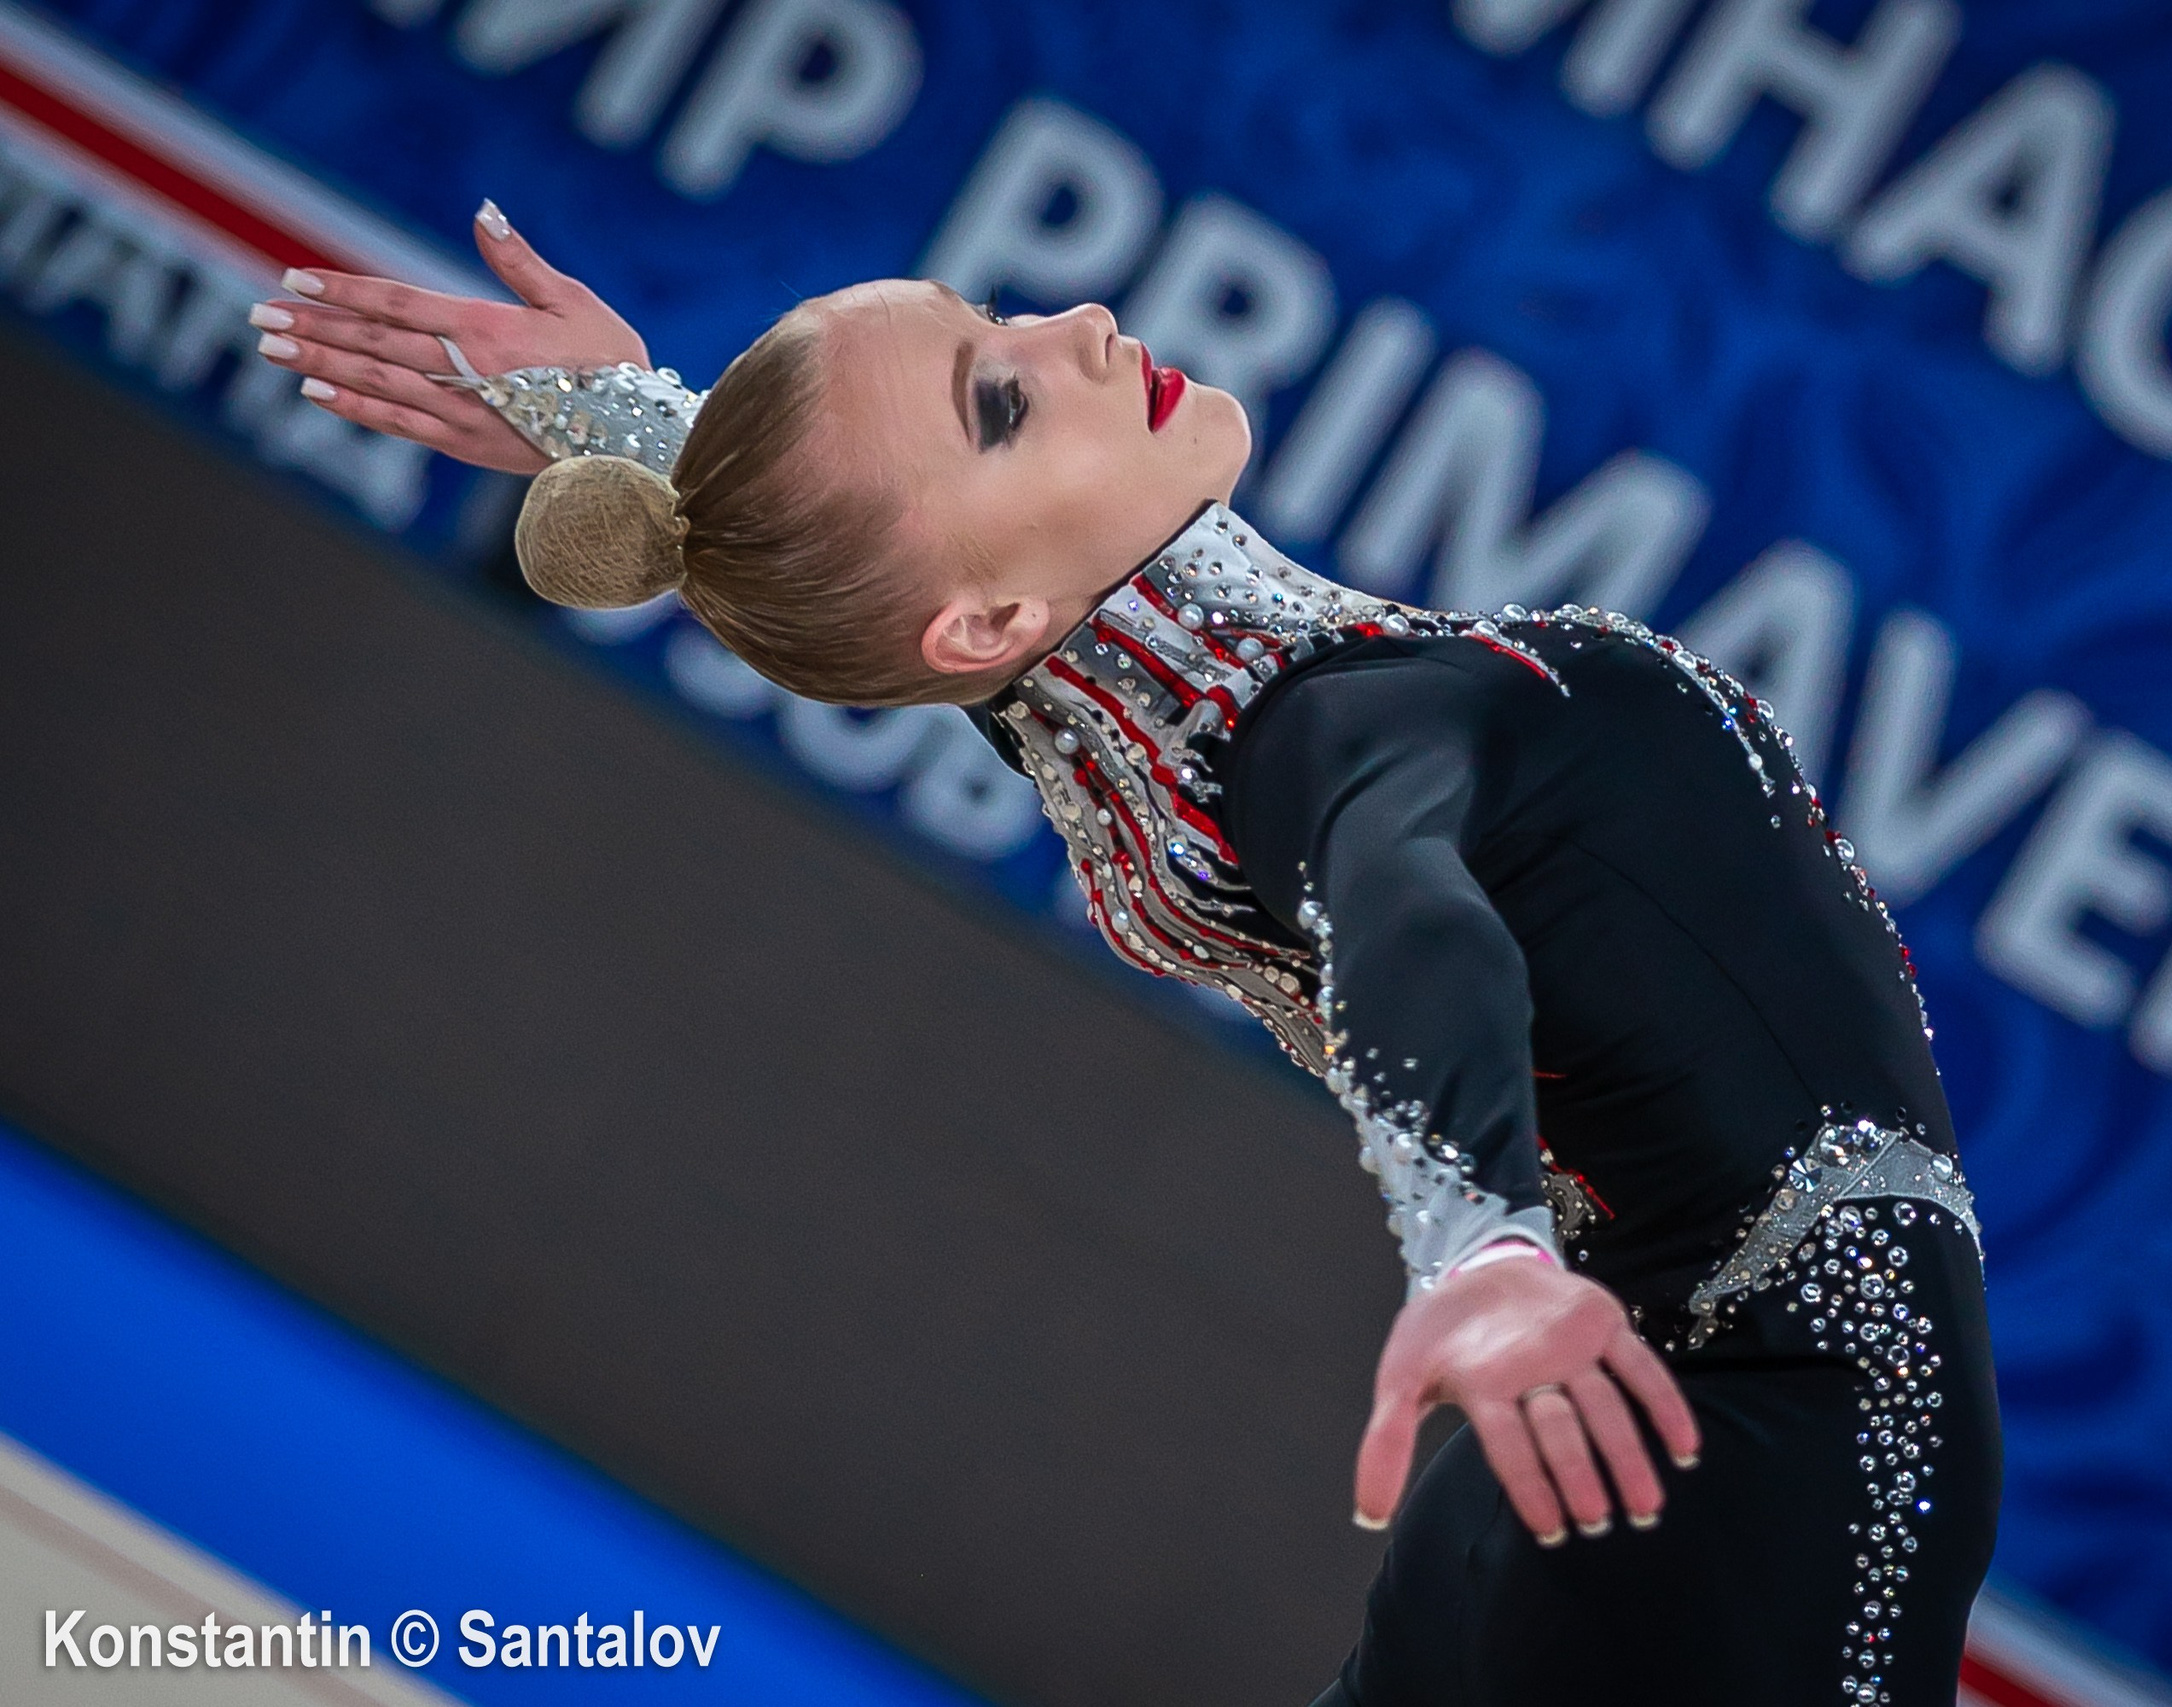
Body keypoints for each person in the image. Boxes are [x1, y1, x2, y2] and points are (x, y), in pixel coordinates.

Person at [248, 200, 2000, 1707]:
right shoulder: (1325, 739)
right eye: (1001, 402)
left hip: (1592, 1447)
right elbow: (1413, 927)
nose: (1079, 323)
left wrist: (636, 426)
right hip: (1776, 1447)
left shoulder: (1148, 722)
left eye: (994, 326)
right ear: (995, 613)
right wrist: (1473, 1237)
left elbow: (917, 589)